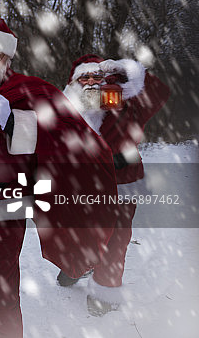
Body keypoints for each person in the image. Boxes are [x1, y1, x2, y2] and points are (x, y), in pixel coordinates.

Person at [0, 18, 116, 338]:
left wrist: (15, 122)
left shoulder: (26, 91)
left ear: (7, 60)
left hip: (5, 202)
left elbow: (70, 139)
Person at [60, 54, 170, 315]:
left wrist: (126, 72)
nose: (89, 82)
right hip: (82, 186)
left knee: (117, 238)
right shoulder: (66, 111)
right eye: (82, 77)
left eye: (95, 76)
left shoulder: (128, 104)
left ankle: (105, 290)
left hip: (122, 183)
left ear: (105, 79)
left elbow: (159, 91)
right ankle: (78, 266)